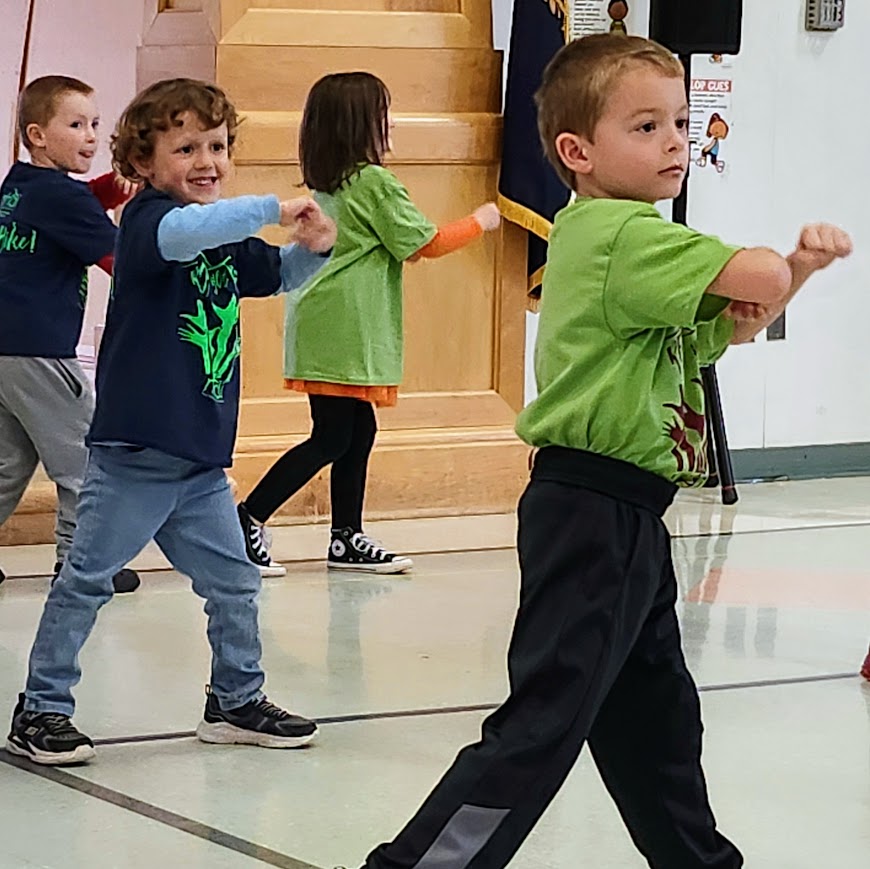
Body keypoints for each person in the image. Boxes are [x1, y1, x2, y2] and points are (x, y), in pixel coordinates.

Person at [353, 34, 852, 869]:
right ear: (577, 152)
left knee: (654, 719)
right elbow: (756, 280)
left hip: (627, 514)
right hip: (597, 509)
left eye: (681, 123)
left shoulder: (628, 248)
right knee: (544, 721)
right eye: (646, 126)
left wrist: (798, 267)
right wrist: (784, 262)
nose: (675, 143)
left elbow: (734, 326)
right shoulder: (623, 234)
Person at [6, 77, 336, 766]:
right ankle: (41, 708)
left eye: (217, 146)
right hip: (134, 452)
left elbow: (277, 273)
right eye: (185, 149)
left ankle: (235, 699)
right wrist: (270, 206)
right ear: (143, 163)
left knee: (235, 582)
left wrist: (315, 249)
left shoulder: (219, 233)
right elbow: (192, 232)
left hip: (197, 461)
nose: (207, 161)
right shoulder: (152, 223)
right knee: (86, 580)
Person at [237, 72, 500, 576]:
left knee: (356, 432)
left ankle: (346, 537)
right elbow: (424, 244)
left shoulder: (331, 183)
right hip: (346, 329)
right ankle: (248, 518)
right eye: (384, 113)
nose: (392, 122)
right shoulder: (373, 182)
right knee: (333, 437)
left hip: (326, 324)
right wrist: (480, 221)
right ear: (359, 126)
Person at [0, 75, 140, 593]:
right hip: (41, 351)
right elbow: (122, 262)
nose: (91, 136)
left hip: (7, 351)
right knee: (87, 457)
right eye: (76, 125)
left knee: (8, 463)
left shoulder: (19, 185)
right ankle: (80, 563)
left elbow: (74, 203)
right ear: (37, 135)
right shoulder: (63, 198)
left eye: (95, 124)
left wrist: (112, 188)